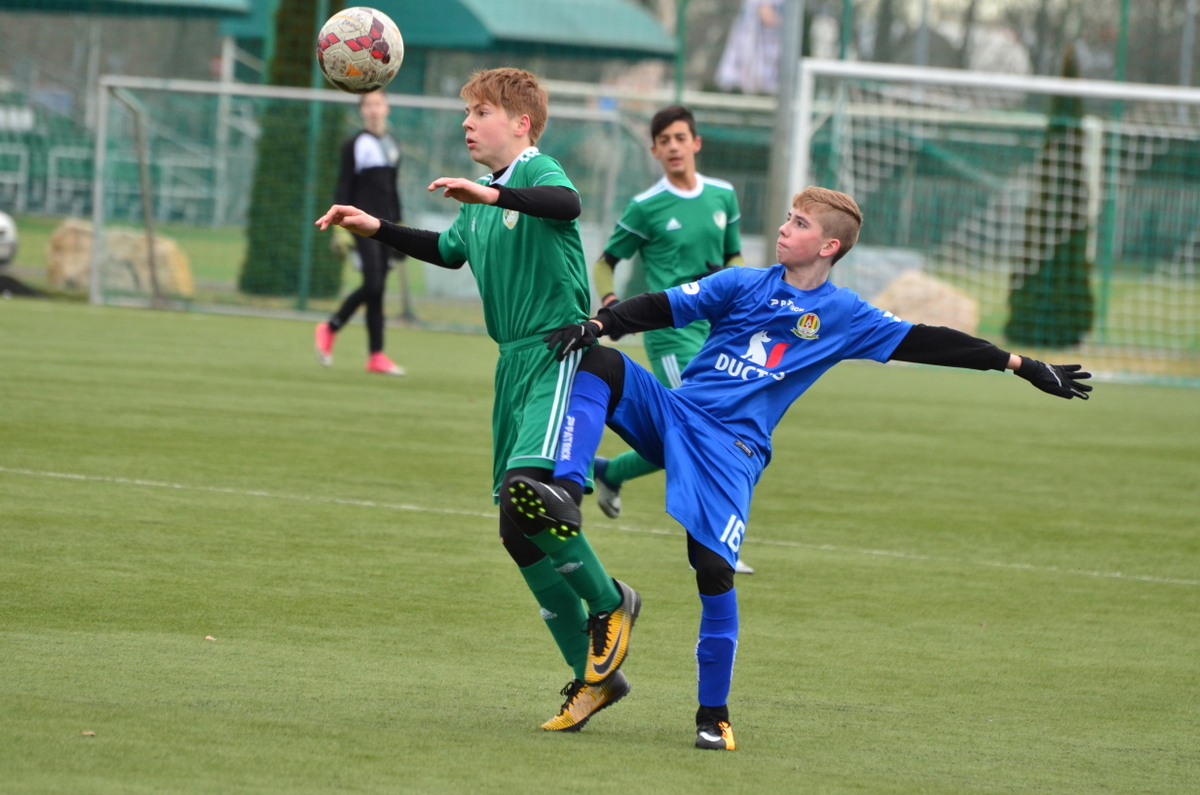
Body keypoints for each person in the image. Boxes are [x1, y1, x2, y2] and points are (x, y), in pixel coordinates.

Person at [504, 186, 1093, 751]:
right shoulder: (742, 283)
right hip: (678, 413)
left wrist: (1020, 364)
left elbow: (929, 341)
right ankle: (566, 491)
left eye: (799, 223)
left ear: (829, 246)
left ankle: (714, 716)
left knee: (712, 571)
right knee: (600, 362)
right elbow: (665, 305)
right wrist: (601, 324)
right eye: (788, 219)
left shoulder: (844, 315)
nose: (784, 229)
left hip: (733, 449)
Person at [315, 68, 640, 733]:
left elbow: (565, 207)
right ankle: (592, 678)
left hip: (557, 353)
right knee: (516, 532)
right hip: (512, 365)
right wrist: (373, 225)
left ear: (519, 124)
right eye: (467, 112)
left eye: (480, 111)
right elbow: (448, 250)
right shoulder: (481, 197)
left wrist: (493, 198)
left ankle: (612, 602)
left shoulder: (538, 170)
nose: (467, 122)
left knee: (530, 490)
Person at [589, 104, 756, 575]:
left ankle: (611, 471)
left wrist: (738, 283)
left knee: (685, 437)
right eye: (665, 141)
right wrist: (609, 303)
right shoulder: (647, 206)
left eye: (681, 137)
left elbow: (735, 257)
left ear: (696, 143)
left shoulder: (723, 196)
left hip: (718, 332)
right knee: (701, 431)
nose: (674, 146)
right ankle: (716, 545)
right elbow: (605, 261)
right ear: (655, 151)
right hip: (670, 334)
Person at [314, 90, 406, 376]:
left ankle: (376, 355)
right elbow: (343, 187)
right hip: (359, 223)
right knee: (374, 285)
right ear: (362, 111)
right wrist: (340, 228)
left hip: (386, 226)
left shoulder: (392, 144)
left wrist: (401, 230)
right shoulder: (354, 144)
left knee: (376, 290)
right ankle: (330, 327)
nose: (374, 109)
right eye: (368, 105)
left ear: (387, 107)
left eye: (378, 103)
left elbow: (392, 190)